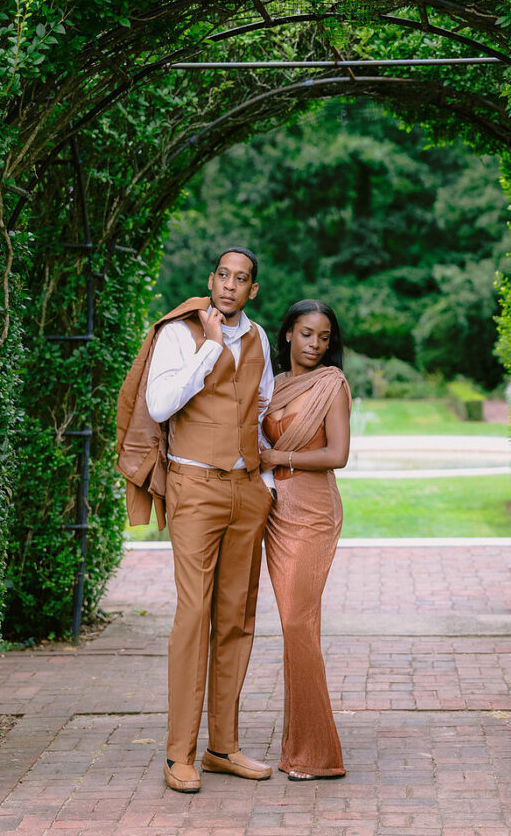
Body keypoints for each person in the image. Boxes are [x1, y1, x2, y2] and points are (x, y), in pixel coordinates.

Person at [116, 248, 275, 793]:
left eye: (242, 279)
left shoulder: (259, 338)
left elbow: (262, 409)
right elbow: (159, 405)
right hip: (195, 488)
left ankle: (222, 748)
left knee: (236, 618)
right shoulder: (180, 334)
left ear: (253, 290)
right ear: (211, 281)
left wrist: (266, 486)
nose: (231, 286)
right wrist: (208, 348)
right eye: (223, 276)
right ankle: (177, 754)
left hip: (246, 492)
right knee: (193, 616)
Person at [260, 299, 351, 781]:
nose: (317, 344)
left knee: (298, 624)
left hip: (313, 513)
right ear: (289, 334)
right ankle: (300, 744)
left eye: (324, 336)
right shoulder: (272, 386)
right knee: (294, 627)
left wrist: (275, 455)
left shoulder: (332, 384)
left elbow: (338, 455)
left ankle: (318, 754)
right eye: (307, 333)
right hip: (276, 512)